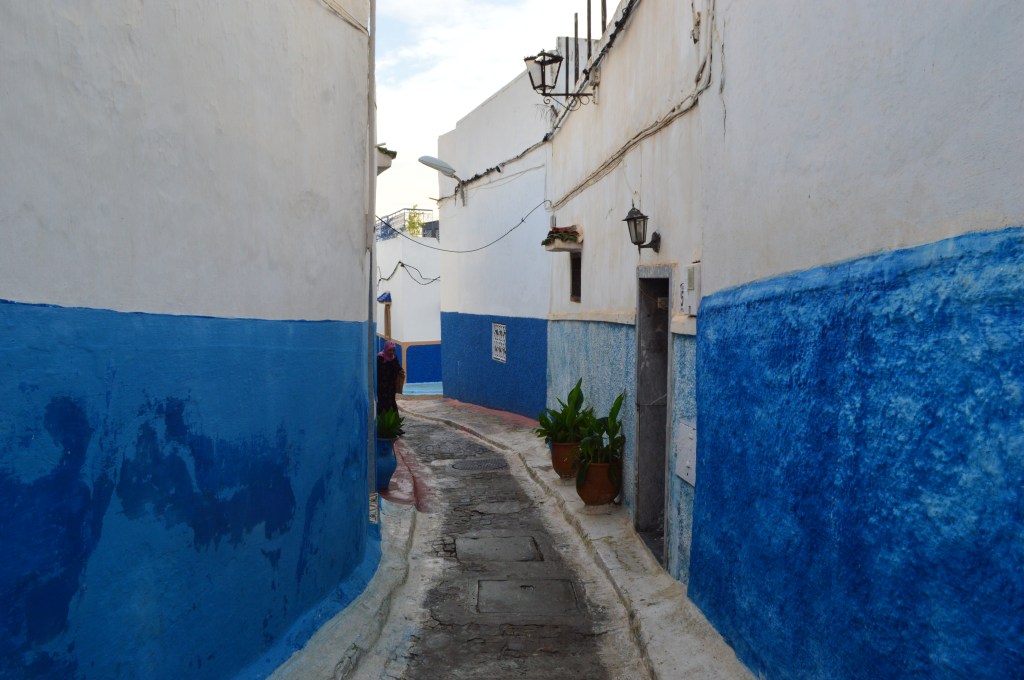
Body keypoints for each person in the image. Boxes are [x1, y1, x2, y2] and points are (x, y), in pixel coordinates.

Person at [376, 340, 405, 415]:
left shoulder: (394, 358)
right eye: (389, 350)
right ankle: (382, 421)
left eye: (393, 350)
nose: (392, 352)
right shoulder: (380, 358)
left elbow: (398, 368)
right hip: (382, 386)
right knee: (382, 403)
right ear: (385, 349)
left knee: (391, 402)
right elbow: (379, 372)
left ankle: (393, 421)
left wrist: (400, 371)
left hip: (391, 386)